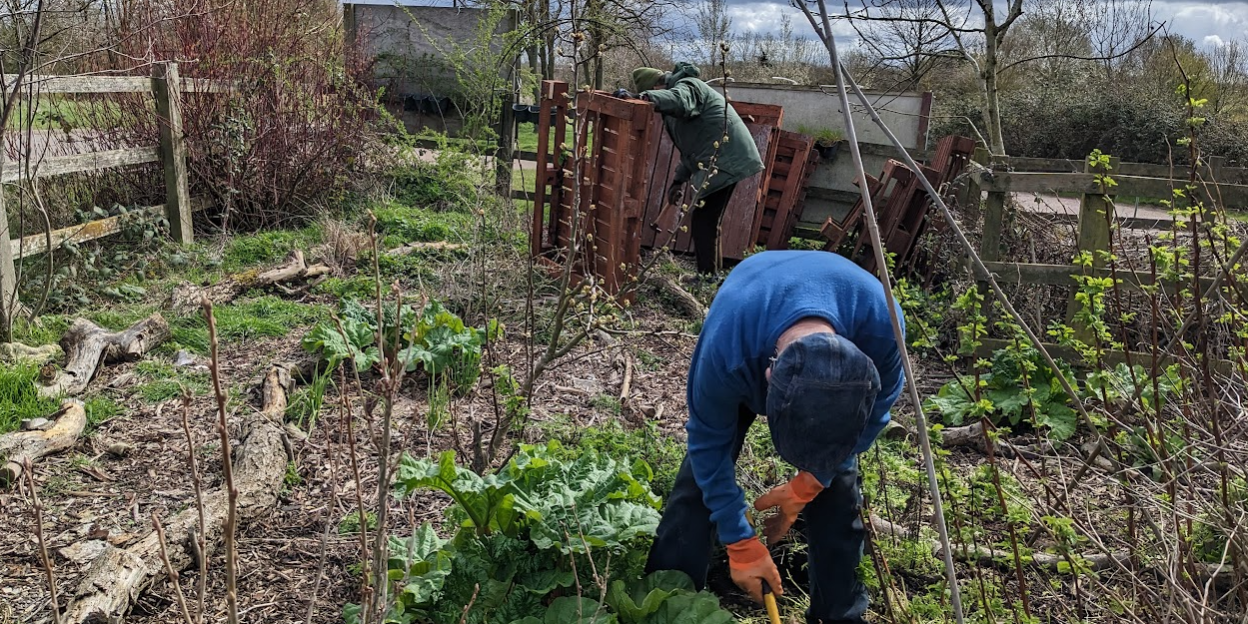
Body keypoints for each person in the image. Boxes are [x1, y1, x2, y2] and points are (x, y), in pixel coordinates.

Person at [645, 250, 906, 624]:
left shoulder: (884, 328)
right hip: (753, 315)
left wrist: (812, 481)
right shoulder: (729, 348)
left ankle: (840, 616)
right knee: (698, 488)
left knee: (839, 495)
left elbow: (877, 413)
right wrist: (740, 542)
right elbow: (708, 442)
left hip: (837, 326)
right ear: (768, 379)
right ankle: (668, 605)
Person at [630, 63, 764, 275]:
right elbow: (691, 148)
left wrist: (644, 97)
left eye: (653, 92)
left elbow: (678, 99)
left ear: (658, 86)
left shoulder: (687, 86)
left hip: (725, 157)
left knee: (704, 220)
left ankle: (707, 277)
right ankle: (713, 276)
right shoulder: (679, 104)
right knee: (708, 220)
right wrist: (677, 181)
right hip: (719, 156)